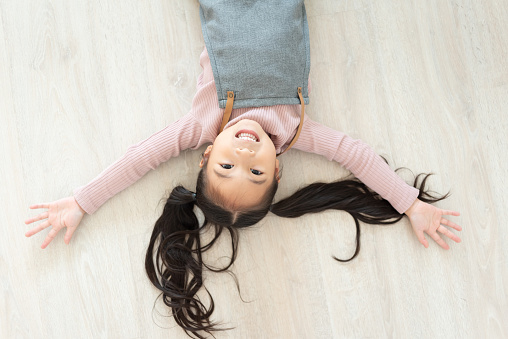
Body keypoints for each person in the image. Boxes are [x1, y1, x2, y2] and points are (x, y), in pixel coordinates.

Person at [24, 1, 462, 338]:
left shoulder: (202, 124)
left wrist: (83, 200)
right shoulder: (296, 131)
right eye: (255, 173)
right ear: (277, 172)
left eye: (227, 165)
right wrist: (409, 205)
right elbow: (358, 156)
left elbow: (138, 159)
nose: (246, 155)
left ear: (207, 153)